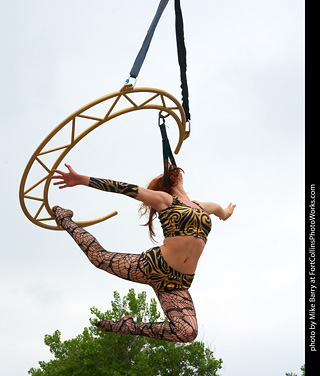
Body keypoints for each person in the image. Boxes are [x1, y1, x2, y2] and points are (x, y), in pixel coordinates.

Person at [51, 163, 236, 343]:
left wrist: (227, 211)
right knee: (99, 258)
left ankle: (128, 327)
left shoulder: (205, 207)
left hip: (177, 283)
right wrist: (81, 179)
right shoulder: (164, 200)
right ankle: (64, 218)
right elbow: (122, 188)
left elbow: (223, 213)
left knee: (188, 332)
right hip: (156, 266)